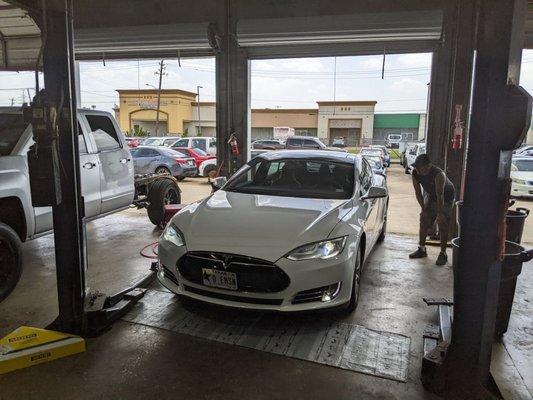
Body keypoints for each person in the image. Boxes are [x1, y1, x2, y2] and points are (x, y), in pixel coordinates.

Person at [409, 154, 455, 265]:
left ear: (428, 166)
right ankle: (422, 249)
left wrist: (440, 214)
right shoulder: (415, 173)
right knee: (423, 220)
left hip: (446, 198)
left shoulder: (439, 174)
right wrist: (424, 209)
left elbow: (440, 196)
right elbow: (418, 192)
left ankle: (443, 253)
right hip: (431, 196)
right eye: (416, 166)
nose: (417, 169)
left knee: (443, 223)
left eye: (420, 167)